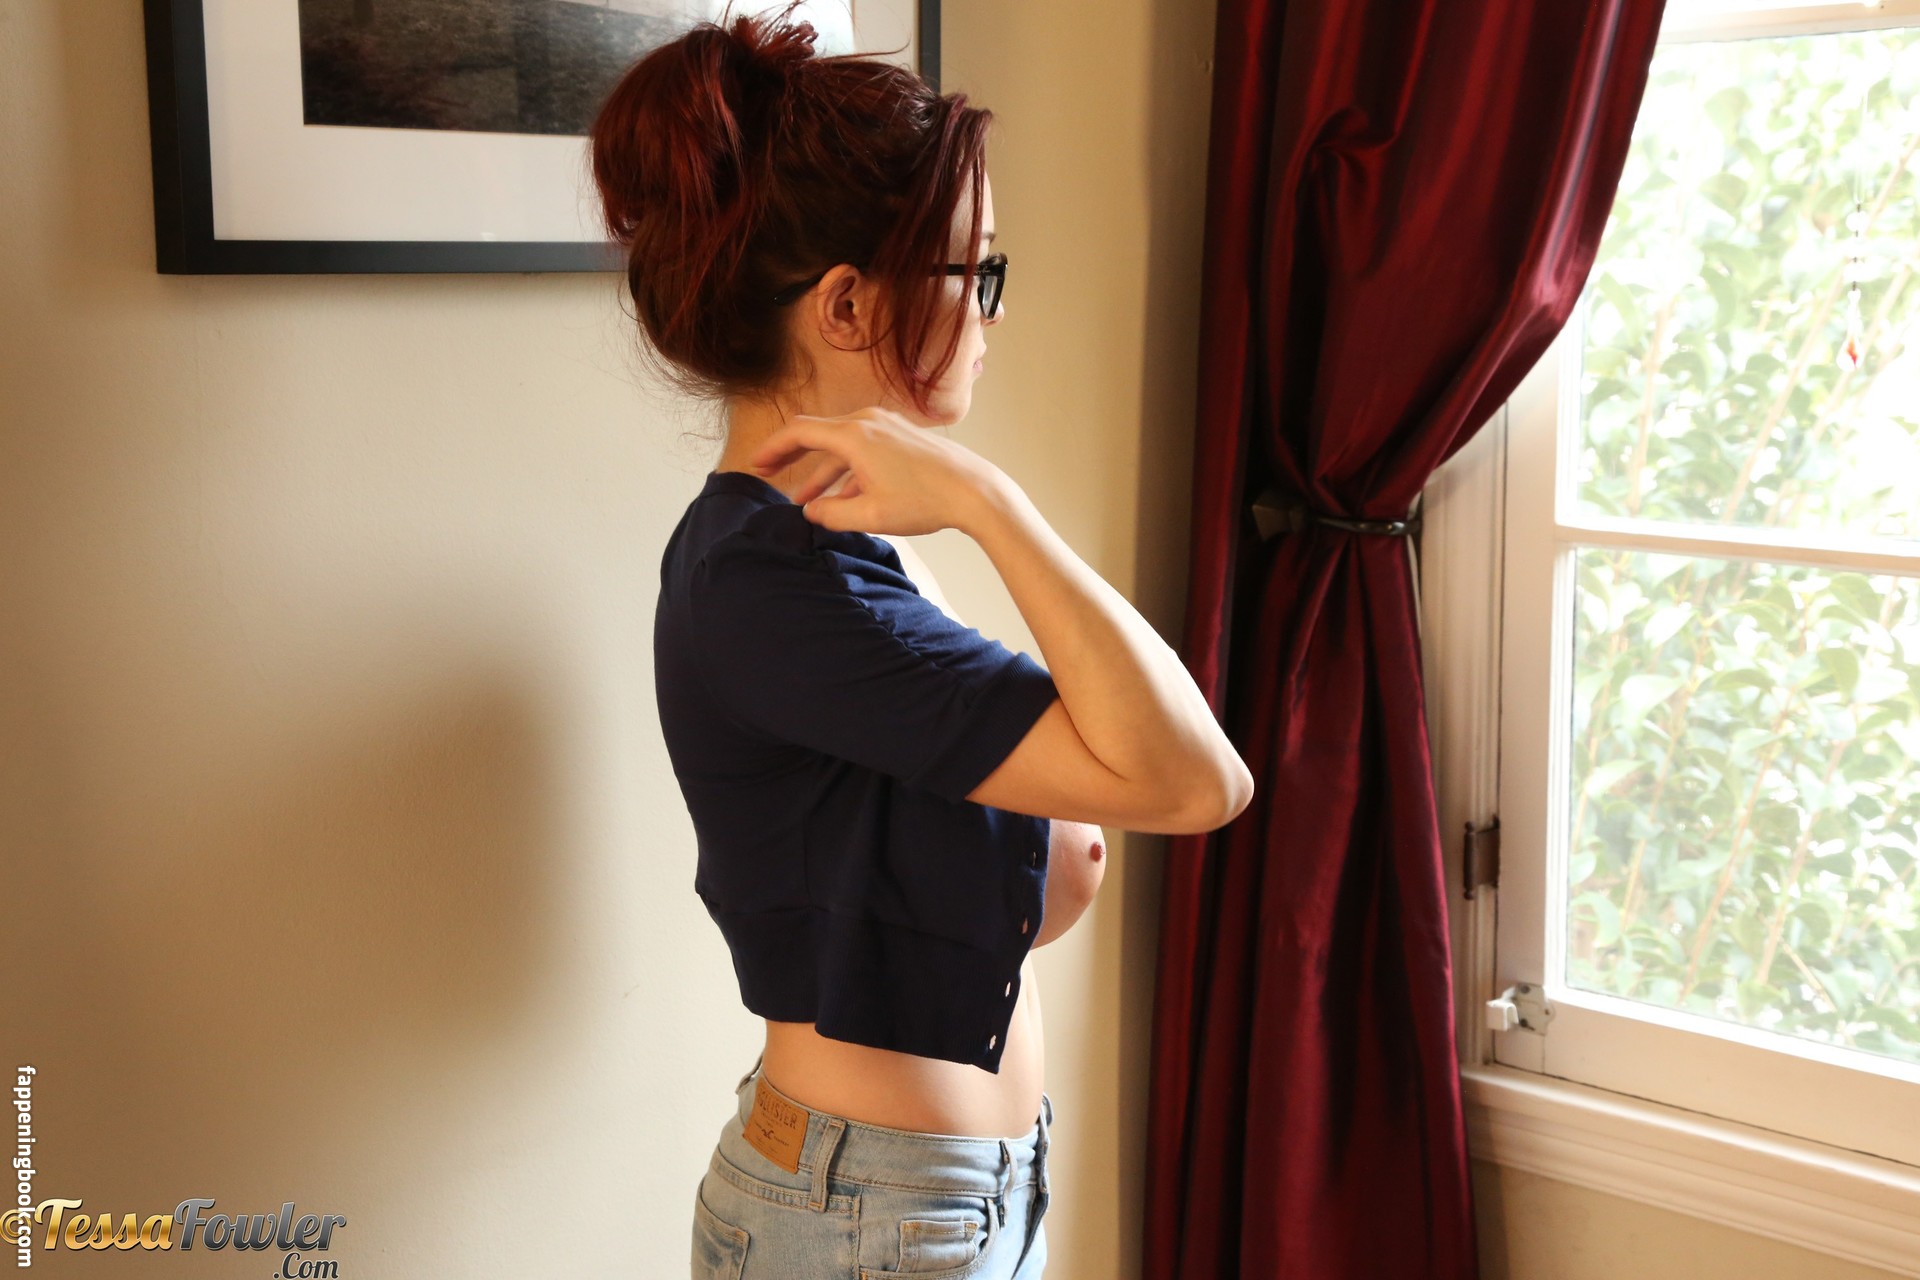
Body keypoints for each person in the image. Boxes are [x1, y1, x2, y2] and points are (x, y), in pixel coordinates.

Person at [588, 5, 1252, 1276]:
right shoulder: (773, 584)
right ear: (847, 304)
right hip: (873, 1214)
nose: (992, 314)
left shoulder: (827, 540)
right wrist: (993, 501)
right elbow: (1195, 780)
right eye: (974, 273)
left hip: (920, 1195)